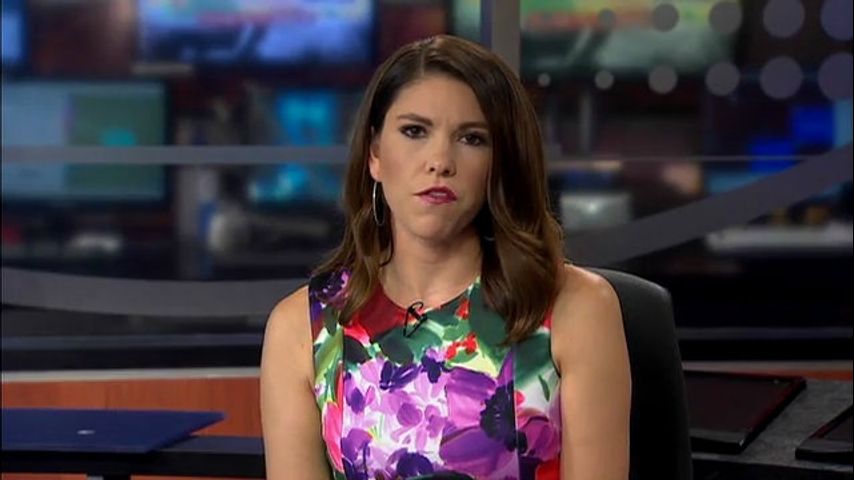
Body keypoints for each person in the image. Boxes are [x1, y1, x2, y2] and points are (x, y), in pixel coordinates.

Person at [261, 35, 631, 480]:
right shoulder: (302, 329)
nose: (440, 161)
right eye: (415, 131)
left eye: (472, 138)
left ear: (500, 162)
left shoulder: (576, 309)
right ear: (375, 154)